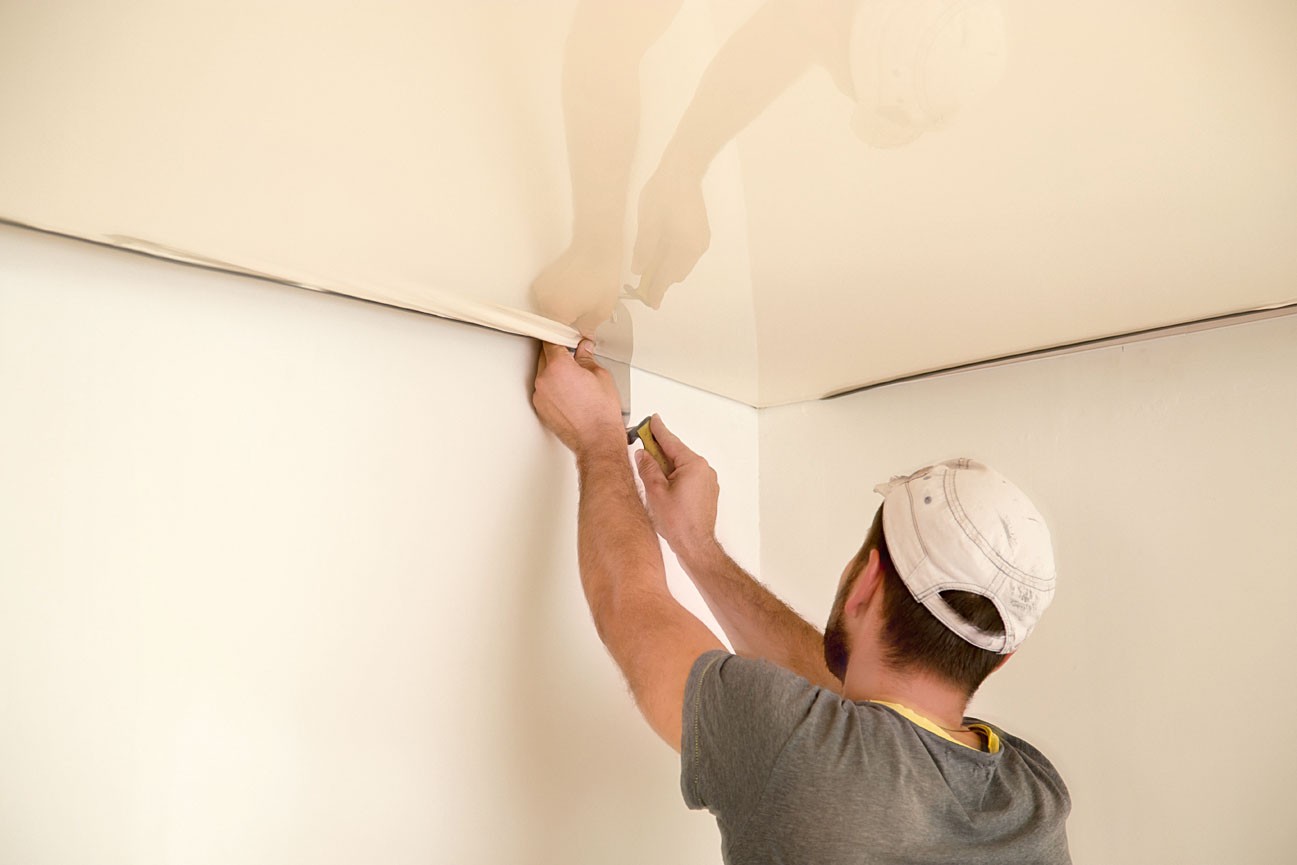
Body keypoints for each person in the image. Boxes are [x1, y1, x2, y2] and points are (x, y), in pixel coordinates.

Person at [532, 339, 1071, 864]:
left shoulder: (798, 750)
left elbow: (630, 605)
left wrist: (596, 435)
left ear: (866, 583)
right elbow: (856, 715)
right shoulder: (1035, 797)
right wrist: (698, 548)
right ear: (1002, 657)